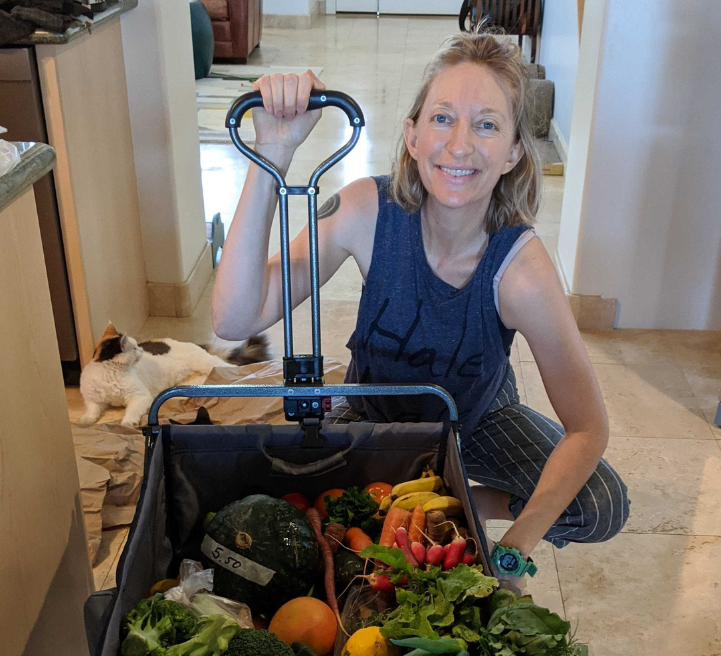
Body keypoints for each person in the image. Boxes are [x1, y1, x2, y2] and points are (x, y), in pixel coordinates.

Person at [213, 32, 629, 580]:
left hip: (473, 421)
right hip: (373, 410)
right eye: (442, 118)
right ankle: (394, 497)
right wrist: (271, 153)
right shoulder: (369, 211)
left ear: (513, 153)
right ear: (411, 135)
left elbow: (588, 429)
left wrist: (515, 545)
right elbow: (234, 317)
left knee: (600, 502)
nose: (460, 145)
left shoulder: (521, 271)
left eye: (486, 124)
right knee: (281, 503)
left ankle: (456, 499)